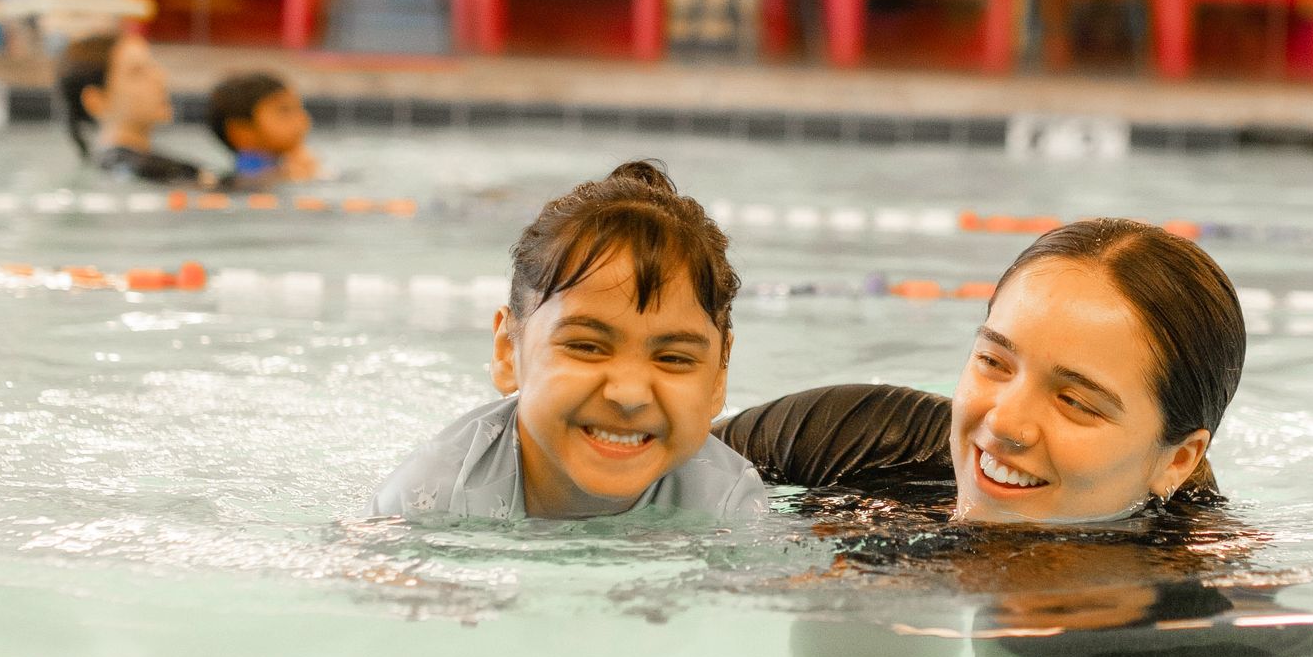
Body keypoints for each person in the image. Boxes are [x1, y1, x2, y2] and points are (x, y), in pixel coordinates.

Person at [722, 217, 1244, 528]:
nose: (1004, 424)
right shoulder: (852, 439)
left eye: (1075, 402)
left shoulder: (1194, 594)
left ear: (1177, 459)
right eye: (994, 363)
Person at [372, 162, 772, 528]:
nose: (629, 394)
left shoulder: (726, 501)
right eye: (586, 347)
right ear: (507, 351)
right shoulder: (428, 503)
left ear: (719, 374)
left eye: (673, 358)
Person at [57, 28, 211, 184]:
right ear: (96, 101)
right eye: (137, 72)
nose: (159, 77)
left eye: (152, 66)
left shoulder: (118, 166)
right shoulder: (137, 171)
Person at [205, 69, 322, 184]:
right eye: (284, 111)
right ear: (242, 131)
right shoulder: (248, 179)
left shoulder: (283, 166)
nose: (303, 119)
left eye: (299, 108)